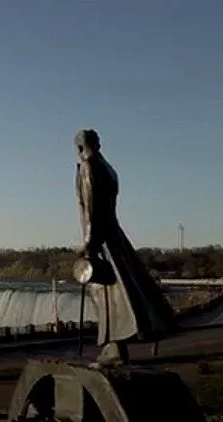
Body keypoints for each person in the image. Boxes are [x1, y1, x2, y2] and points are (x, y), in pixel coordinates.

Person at [74, 129, 177, 366]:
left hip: (101, 238)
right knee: (125, 291)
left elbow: (91, 208)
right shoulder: (108, 168)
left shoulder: (89, 167)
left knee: (108, 294)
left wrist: (89, 244)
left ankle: (114, 348)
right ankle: (118, 344)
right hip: (114, 234)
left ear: (80, 147)